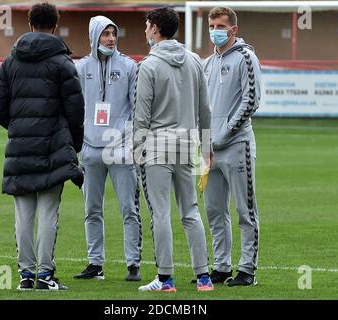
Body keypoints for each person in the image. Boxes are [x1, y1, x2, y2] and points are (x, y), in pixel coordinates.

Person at [0, 2, 85, 291]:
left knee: (24, 215)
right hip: (53, 147)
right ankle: (45, 276)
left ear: (30, 25)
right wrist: (71, 145)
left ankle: (26, 276)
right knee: (48, 213)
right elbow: (76, 111)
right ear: (55, 26)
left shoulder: (10, 61)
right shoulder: (62, 62)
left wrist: (19, 129)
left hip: (20, 148)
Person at [134, 7, 214, 292]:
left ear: (155, 28)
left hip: (157, 147)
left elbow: (141, 116)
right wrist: (206, 147)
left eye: (146, 26)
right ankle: (203, 277)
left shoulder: (149, 65)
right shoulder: (194, 60)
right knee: (190, 210)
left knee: (161, 213)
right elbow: (205, 109)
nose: (145, 31)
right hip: (188, 144)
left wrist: (137, 148)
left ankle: (165, 279)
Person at [73, 16, 142, 281]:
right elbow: (75, 108)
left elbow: (137, 108)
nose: (111, 38)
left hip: (120, 149)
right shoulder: (81, 67)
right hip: (89, 149)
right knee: (91, 209)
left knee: (129, 209)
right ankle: (95, 264)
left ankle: (133, 264)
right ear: (94, 36)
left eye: (113, 33)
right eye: (105, 34)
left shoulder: (129, 66)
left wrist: (131, 140)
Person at [203, 6, 261, 286]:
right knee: (214, 210)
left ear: (233, 29)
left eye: (220, 26)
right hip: (210, 151)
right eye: (212, 25)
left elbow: (251, 101)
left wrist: (223, 134)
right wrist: (205, 143)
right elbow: (202, 108)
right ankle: (222, 266)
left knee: (244, 210)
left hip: (237, 146)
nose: (215, 31)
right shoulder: (207, 63)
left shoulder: (246, 58)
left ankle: (247, 270)